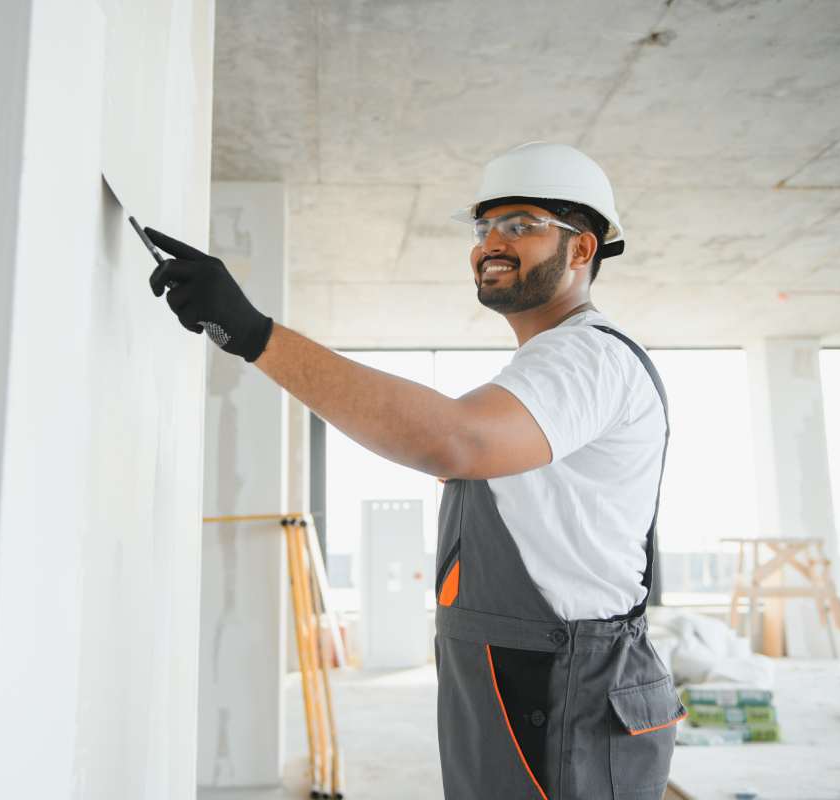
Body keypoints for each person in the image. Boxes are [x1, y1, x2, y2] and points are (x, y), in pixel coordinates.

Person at [148, 141, 684, 800]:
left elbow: (454, 440)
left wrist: (253, 333)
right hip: (512, 668)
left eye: (520, 223)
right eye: (484, 227)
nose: (490, 241)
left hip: (563, 678)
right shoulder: (542, 369)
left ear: (582, 250)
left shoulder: (585, 359)